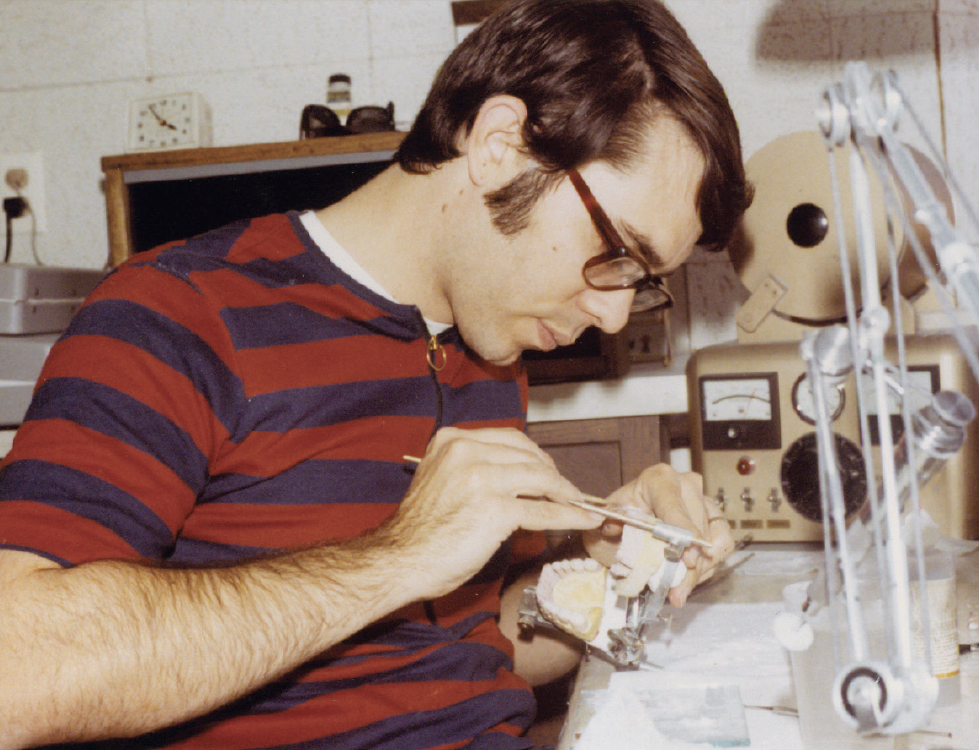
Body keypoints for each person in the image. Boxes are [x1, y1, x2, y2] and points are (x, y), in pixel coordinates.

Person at [0, 1, 752, 748]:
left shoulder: (486, 347)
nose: (617, 316)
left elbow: (481, 651)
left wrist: (606, 571)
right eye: (618, 253)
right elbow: (19, 674)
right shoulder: (177, 315)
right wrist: (397, 556)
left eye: (641, 279)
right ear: (499, 145)